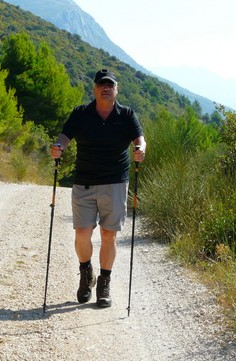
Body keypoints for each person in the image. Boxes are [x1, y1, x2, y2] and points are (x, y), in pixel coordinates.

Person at [50, 69, 146, 308]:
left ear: (116, 89)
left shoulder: (127, 115)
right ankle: (86, 273)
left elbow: (139, 139)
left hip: (115, 182)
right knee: (82, 233)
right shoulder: (81, 114)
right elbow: (64, 136)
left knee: (108, 235)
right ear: (94, 88)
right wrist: (58, 147)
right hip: (84, 181)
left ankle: (104, 282)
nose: (106, 88)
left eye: (110, 85)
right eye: (101, 84)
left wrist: (141, 149)